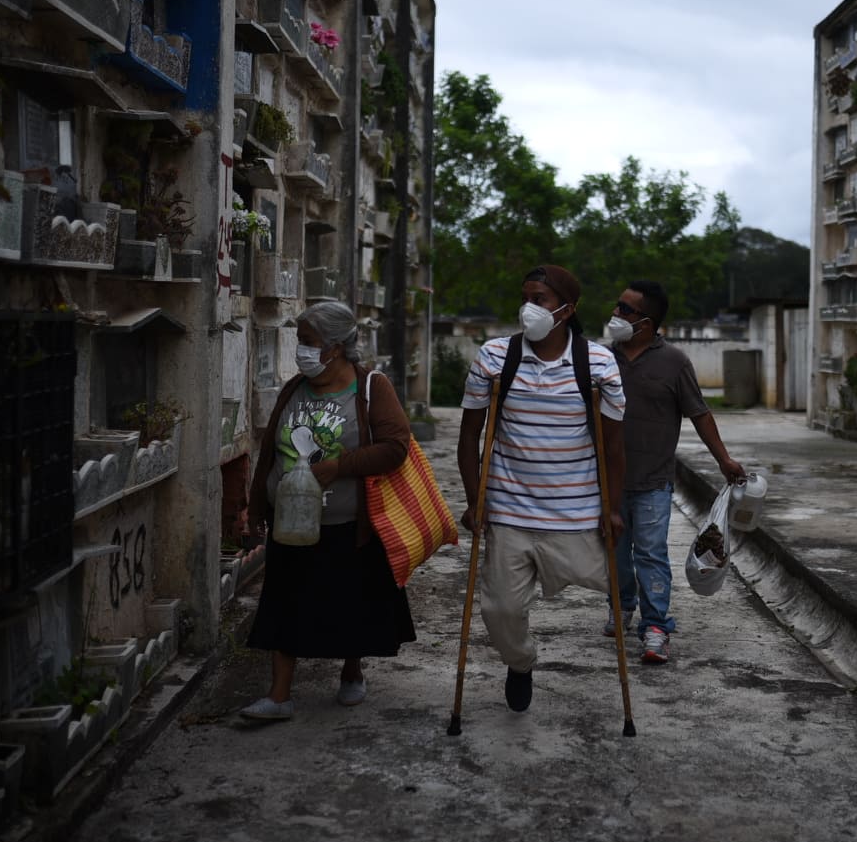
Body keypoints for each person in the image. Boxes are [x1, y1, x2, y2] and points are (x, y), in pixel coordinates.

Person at [458, 265, 626, 713]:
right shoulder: (495, 357)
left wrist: (612, 509)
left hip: (574, 512)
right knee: (500, 611)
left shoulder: (599, 363)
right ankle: (521, 662)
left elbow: (613, 447)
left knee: (616, 584)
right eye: (525, 296)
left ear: (567, 310)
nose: (528, 308)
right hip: (510, 510)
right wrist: (477, 499)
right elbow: (469, 435)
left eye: (540, 300)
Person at [240, 301, 416, 720]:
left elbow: (395, 448)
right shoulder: (294, 387)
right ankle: (279, 695)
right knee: (284, 603)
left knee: (349, 603)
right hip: (292, 520)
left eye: (308, 342)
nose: (301, 350)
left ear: (335, 348)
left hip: (348, 524)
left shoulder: (370, 386)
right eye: (301, 341)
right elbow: (272, 452)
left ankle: (352, 671)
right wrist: (257, 503)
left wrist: (339, 467)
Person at [602, 280, 745, 664]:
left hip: (653, 481)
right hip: (606, 484)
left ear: (646, 322)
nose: (615, 314)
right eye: (617, 306)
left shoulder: (674, 363)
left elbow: (699, 413)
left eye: (625, 309)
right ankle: (623, 604)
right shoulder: (600, 359)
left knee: (650, 553)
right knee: (615, 555)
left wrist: (724, 460)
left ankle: (655, 627)